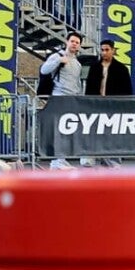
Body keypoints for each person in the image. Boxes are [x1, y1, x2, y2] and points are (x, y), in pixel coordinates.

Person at [39, 33, 90, 170]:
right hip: (59, 97)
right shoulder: (57, 56)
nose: (74, 44)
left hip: (72, 98)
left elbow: (76, 83)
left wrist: (78, 96)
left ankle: (61, 159)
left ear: (79, 46)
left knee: (68, 130)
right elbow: (44, 70)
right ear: (67, 42)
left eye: (77, 42)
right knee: (60, 129)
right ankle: (57, 160)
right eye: (72, 41)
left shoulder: (77, 64)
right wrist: (59, 61)